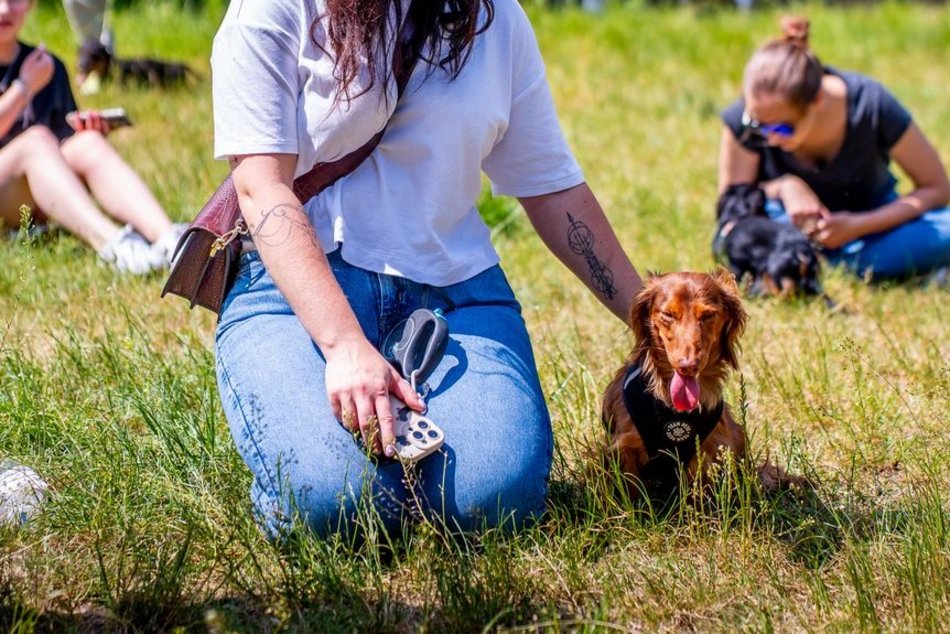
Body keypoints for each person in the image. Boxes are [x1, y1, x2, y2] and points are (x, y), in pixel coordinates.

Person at [212, 0, 643, 538]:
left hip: (454, 294)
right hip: (293, 295)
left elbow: (552, 186)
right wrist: (345, 345)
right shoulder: (274, 9)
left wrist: (650, 320)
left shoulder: (496, 18)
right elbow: (261, 188)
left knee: (496, 503)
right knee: (343, 509)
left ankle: (400, 461)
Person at [718, 16, 950, 281]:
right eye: (757, 124)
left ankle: (821, 266)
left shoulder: (871, 104)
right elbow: (732, 207)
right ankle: (858, 266)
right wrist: (785, 187)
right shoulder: (744, 121)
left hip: (873, 227)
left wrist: (857, 225)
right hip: (785, 230)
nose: (768, 137)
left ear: (817, 100)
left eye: (782, 129)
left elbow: (937, 188)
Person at [0, 0, 183, 273]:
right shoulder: (35, 72)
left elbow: (63, 145)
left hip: (35, 198)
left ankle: (170, 240)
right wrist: (24, 87)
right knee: (35, 141)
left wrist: (89, 132)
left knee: (86, 144)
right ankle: (114, 245)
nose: (4, 9)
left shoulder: (47, 66)